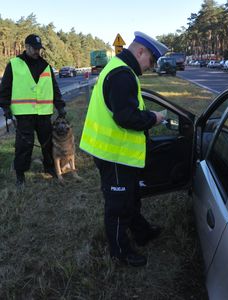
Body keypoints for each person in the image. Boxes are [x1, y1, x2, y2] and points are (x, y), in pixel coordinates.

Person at [79, 31, 168, 267]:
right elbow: (126, 117)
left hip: (117, 152)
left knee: (130, 197)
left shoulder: (120, 69)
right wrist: (154, 117)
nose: (150, 66)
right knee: (118, 205)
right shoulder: (122, 75)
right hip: (114, 154)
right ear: (140, 51)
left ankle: (142, 232)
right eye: (151, 60)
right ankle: (120, 252)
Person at [0, 34, 66, 187]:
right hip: (24, 114)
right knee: (24, 146)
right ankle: (20, 175)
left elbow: (54, 88)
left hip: (44, 113)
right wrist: (5, 107)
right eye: (35, 48)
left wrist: (60, 106)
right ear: (27, 47)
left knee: (48, 144)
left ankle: (50, 169)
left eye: (39, 49)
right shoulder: (14, 64)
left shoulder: (46, 66)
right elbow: (5, 88)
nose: (38, 51)